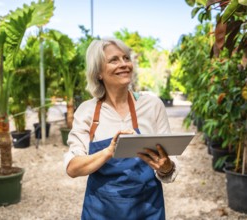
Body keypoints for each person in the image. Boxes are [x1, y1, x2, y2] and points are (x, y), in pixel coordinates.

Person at [64, 38, 178, 220]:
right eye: (114, 60)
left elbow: (169, 165)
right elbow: (72, 168)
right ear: (98, 72)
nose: (124, 64)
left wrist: (166, 167)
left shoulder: (152, 105)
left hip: (147, 208)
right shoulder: (87, 112)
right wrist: (108, 152)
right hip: (101, 211)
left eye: (126, 58)